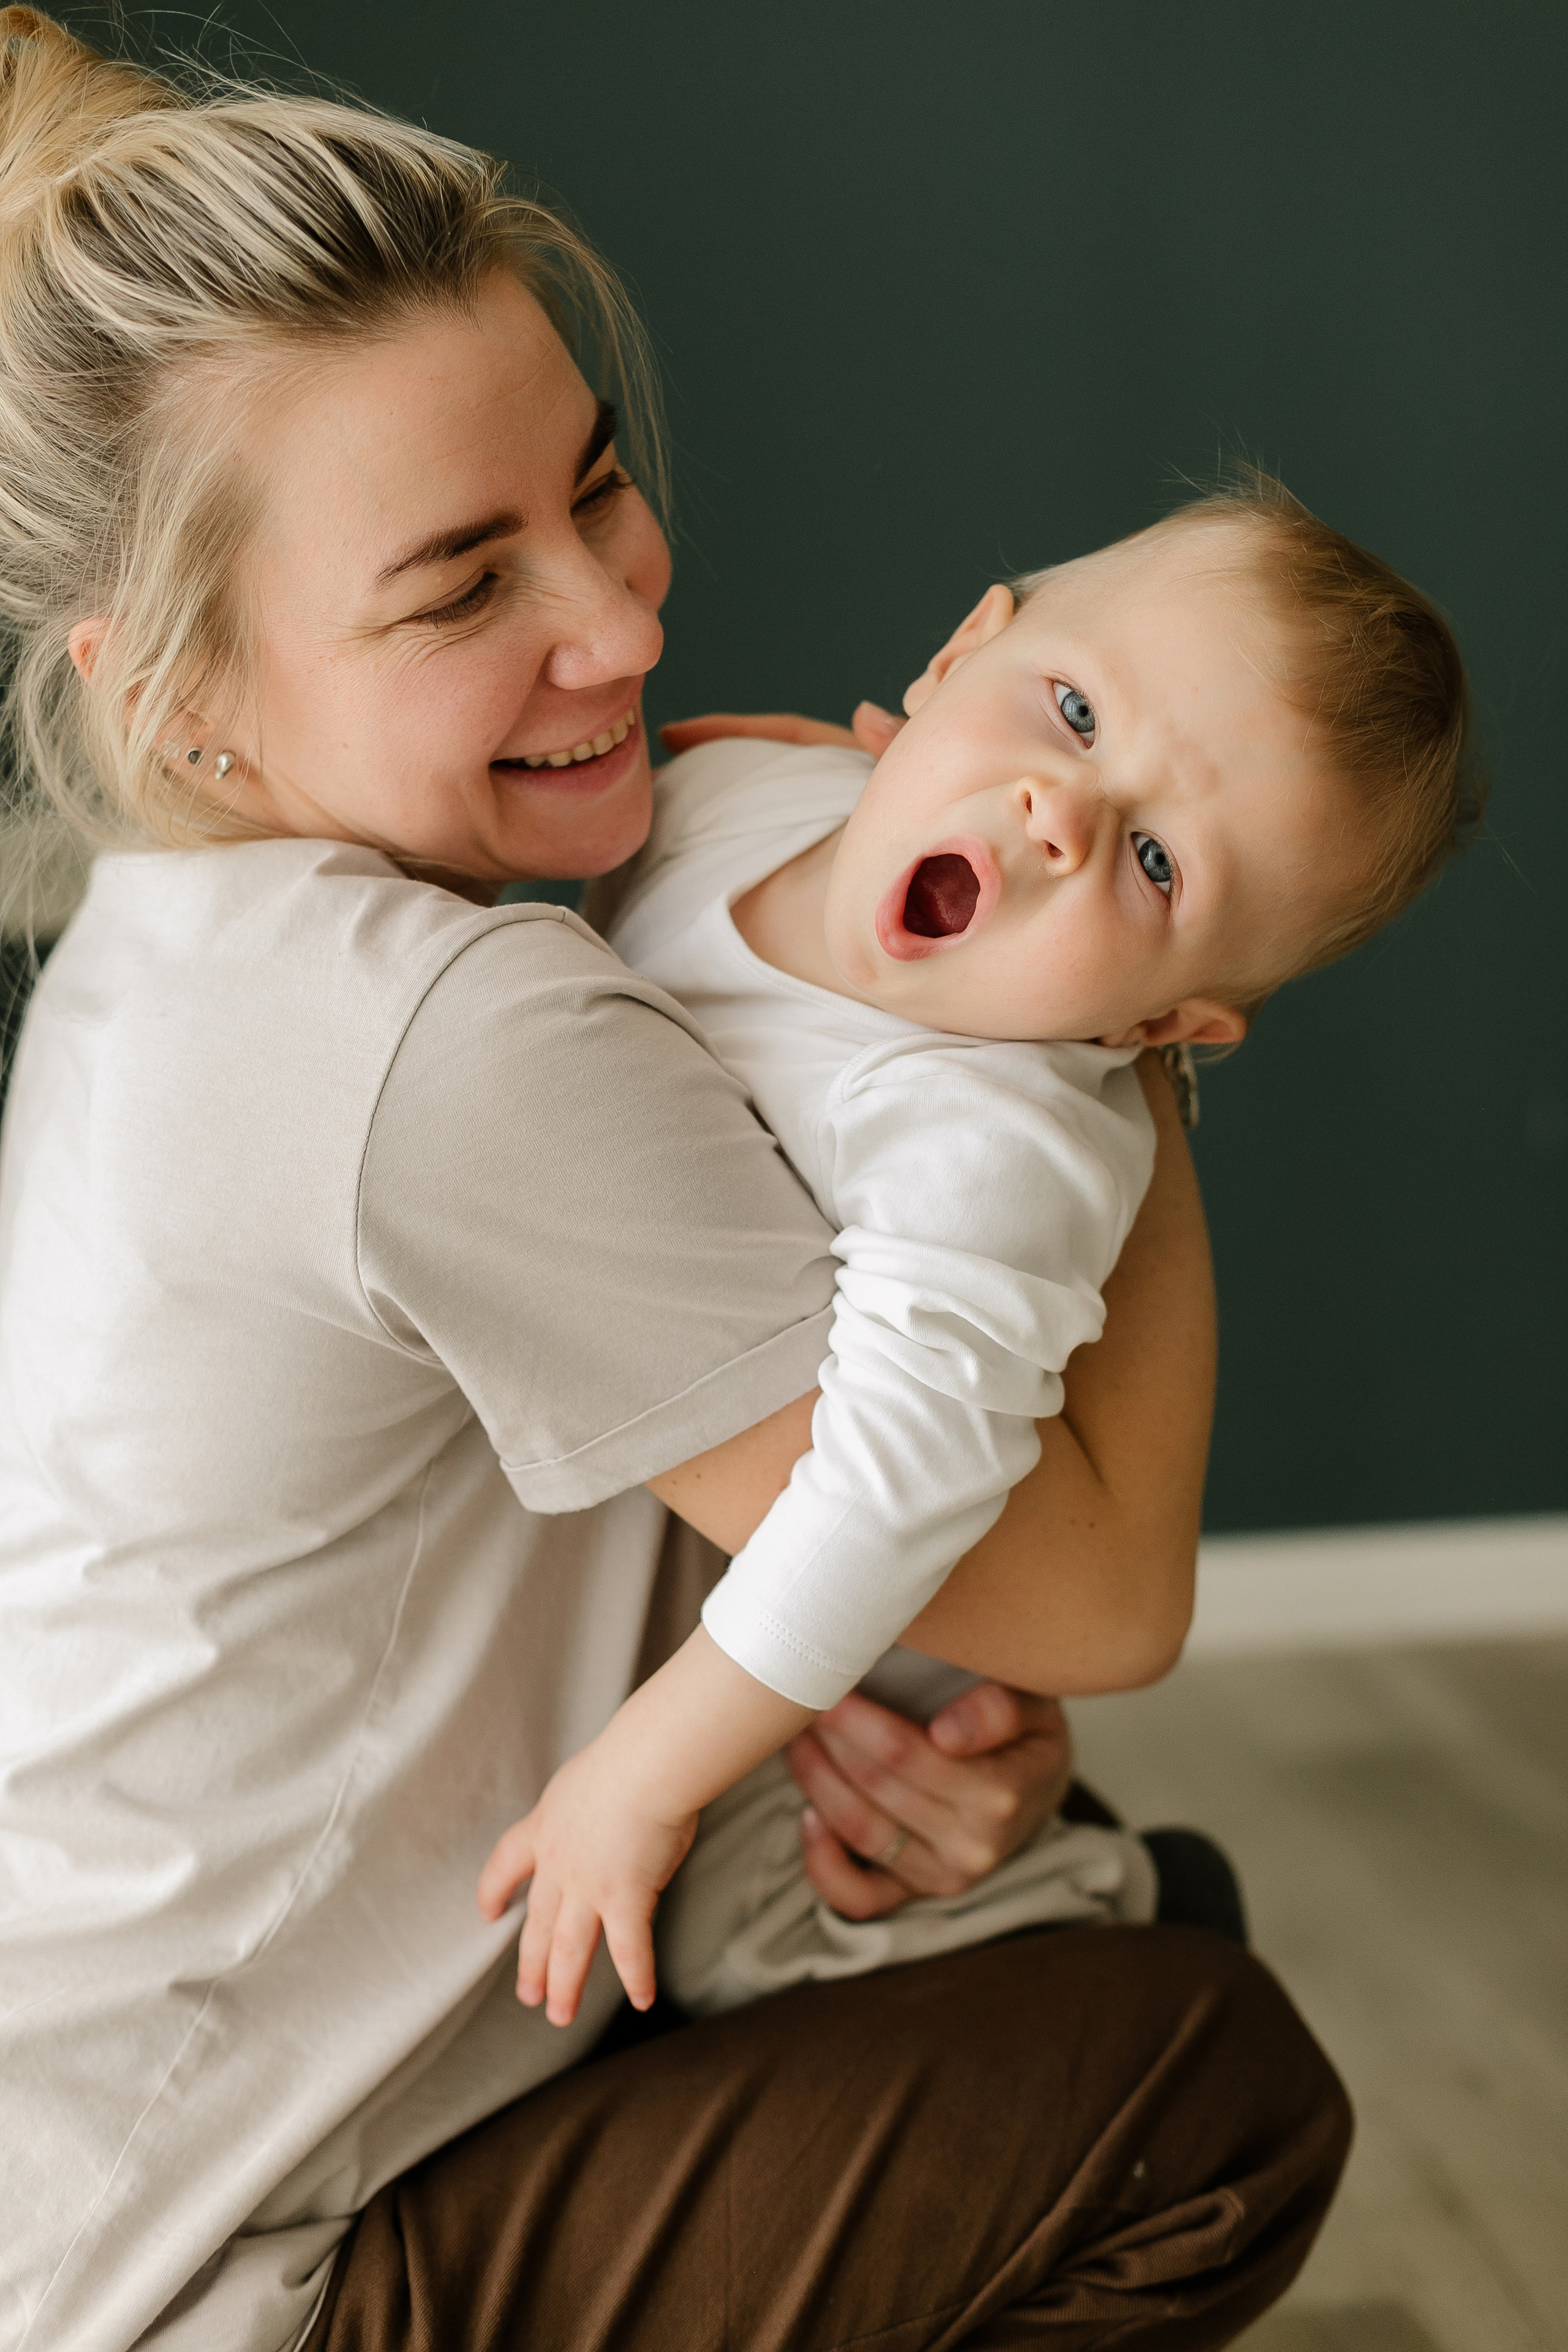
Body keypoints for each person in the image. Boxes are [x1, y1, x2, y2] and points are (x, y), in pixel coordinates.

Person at [0, 14, 1351, 2350]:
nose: (622, 621)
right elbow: (1107, 1593)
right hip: (191, 2272)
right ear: (176, 694)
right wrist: (1116, 1025)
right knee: (1199, 2085)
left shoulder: (205, 925)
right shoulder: (441, 1039)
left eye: (595, 487)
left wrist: (883, 1768)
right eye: (461, 587)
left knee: (1083, 1909)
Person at [479, 486, 1474, 2029]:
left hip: (846, 1710)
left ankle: (1092, 1916)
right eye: (1071, 711)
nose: (1057, 812)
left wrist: (641, 1777)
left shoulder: (989, 1139)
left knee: (754, 1940)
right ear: (953, 658)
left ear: (1156, 1025)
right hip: (677, 1566)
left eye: (1156, 863)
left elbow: (886, 1494)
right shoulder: (733, 794)